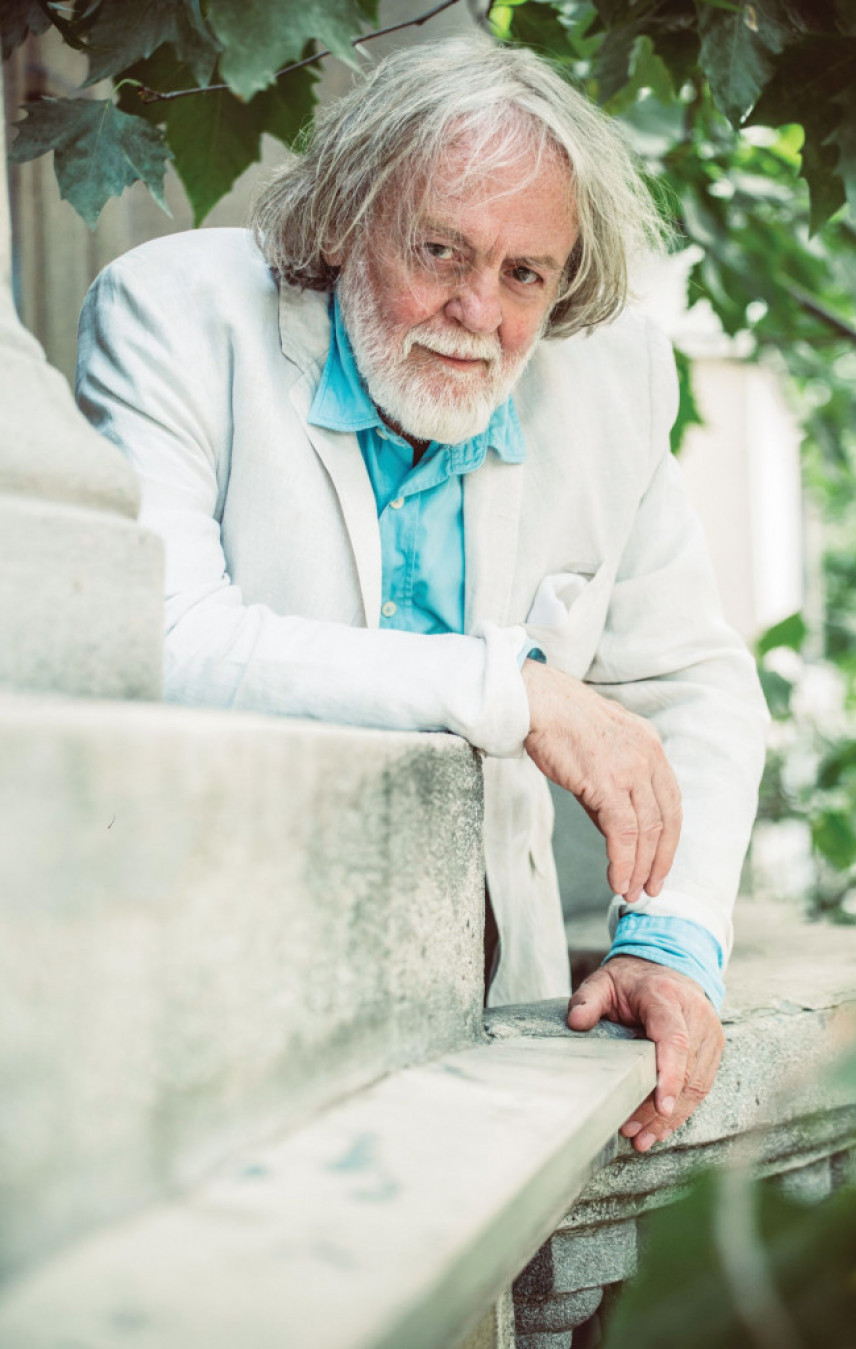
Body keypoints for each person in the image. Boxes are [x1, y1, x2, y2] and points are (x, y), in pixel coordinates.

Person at [76, 36, 769, 1153]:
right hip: (206, 1021)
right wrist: (513, 689)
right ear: (346, 218)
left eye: (525, 274)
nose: (478, 310)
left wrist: (671, 941)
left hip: (497, 1014)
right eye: (440, 250)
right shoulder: (172, 313)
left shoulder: (617, 375)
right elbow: (158, 641)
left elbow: (692, 682)